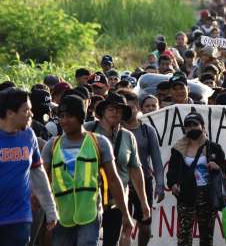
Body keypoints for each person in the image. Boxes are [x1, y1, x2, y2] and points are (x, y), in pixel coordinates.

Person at [42, 95, 133, 246]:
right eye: (61, 116)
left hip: (89, 215)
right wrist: (46, 214)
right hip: (61, 217)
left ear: (80, 117)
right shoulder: (51, 146)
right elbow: (42, 182)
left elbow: (113, 179)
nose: (64, 121)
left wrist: (125, 214)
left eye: (69, 116)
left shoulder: (99, 143)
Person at [84, 93, 150, 246]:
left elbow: (136, 169)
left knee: (112, 241)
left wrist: (144, 202)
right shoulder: (88, 130)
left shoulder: (128, 137)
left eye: (119, 110)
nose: (115, 112)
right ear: (103, 111)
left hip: (118, 199)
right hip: (90, 197)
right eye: (111, 109)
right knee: (87, 241)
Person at [0, 88, 57, 246]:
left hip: (20, 217)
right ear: (10, 113)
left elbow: (38, 173)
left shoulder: (29, 135)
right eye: (26, 110)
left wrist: (50, 209)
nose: (31, 115)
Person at [166, 111, 226, 246]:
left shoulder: (214, 148)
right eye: (188, 125)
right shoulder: (178, 149)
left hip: (208, 196)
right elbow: (172, 171)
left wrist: (217, 167)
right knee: (184, 235)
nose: (192, 128)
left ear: (202, 126)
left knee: (206, 236)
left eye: (195, 124)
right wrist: (173, 185)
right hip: (186, 196)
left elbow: (225, 170)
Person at [120, 90, 165, 246]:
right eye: (124, 107)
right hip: (120, 183)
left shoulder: (147, 130)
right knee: (123, 226)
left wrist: (160, 184)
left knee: (145, 226)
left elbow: (157, 160)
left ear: (138, 108)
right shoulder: (114, 130)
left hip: (143, 182)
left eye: (131, 107)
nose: (128, 111)